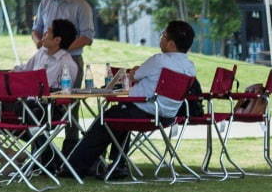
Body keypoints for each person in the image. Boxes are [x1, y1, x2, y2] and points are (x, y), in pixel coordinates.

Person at [68, 20, 197, 180]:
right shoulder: (190, 67)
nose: (161, 38)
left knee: (104, 120)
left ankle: (74, 168)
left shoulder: (159, 60)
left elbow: (132, 76)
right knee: (118, 118)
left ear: (170, 44)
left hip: (143, 110)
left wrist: (135, 72)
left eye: (163, 35)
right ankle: (117, 165)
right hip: (166, 116)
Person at [30, 0, 95, 150]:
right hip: (45, 58)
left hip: (71, 61)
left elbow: (87, 36)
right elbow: (36, 30)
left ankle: (71, 148)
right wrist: (39, 43)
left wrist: (63, 50)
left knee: (69, 106)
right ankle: (40, 149)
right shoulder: (45, 3)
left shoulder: (81, 6)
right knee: (38, 100)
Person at [16, 18, 80, 91]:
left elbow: (66, 92)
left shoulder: (67, 63)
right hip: (29, 98)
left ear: (57, 40)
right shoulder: (41, 53)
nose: (44, 34)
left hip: (48, 101)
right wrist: (11, 72)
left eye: (47, 32)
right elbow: (26, 69)